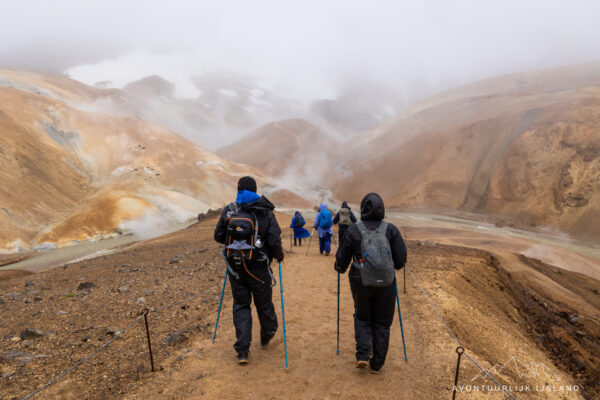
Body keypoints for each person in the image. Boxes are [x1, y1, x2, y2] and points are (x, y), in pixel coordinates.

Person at [214, 176, 284, 364]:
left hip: (235, 266)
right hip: (259, 267)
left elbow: (218, 236)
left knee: (241, 305)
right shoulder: (264, 210)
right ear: (254, 189)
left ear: (238, 189)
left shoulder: (230, 210)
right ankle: (267, 334)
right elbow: (274, 238)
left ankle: (243, 351)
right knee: (264, 303)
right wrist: (279, 255)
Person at [334, 193, 407, 374]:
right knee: (382, 322)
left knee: (362, 316)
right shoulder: (391, 230)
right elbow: (401, 259)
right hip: (386, 284)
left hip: (361, 281)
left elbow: (342, 258)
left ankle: (362, 355)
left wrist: (339, 267)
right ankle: (377, 364)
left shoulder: (354, 229)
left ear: (363, 209)